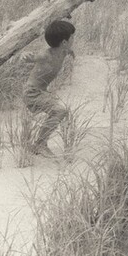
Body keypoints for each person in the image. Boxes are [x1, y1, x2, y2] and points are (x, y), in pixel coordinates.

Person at [19, 19, 76, 157]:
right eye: (72, 38)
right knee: (60, 111)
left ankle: (38, 143)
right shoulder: (46, 55)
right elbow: (31, 56)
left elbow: (67, 51)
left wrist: (70, 52)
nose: (74, 40)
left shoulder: (63, 51)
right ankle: (39, 144)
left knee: (60, 112)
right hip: (32, 93)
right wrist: (24, 56)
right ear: (64, 42)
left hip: (41, 92)